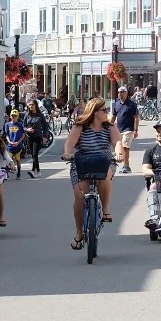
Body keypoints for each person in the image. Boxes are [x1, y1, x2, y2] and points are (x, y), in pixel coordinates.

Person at [62, 97, 118, 249]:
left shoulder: (110, 127)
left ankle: (106, 209)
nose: (107, 112)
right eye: (104, 110)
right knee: (80, 196)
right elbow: (70, 143)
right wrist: (67, 153)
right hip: (82, 162)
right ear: (94, 112)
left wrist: (118, 153)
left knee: (105, 173)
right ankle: (79, 232)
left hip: (104, 161)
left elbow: (117, 143)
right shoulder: (80, 126)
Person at [113, 87, 140, 159]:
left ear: (126, 93)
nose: (120, 94)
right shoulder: (116, 104)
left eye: (122, 92)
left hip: (128, 129)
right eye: (119, 92)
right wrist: (109, 126)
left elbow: (136, 117)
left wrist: (136, 130)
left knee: (125, 146)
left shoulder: (131, 104)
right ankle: (124, 164)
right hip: (119, 129)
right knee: (120, 146)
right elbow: (113, 116)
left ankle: (126, 166)